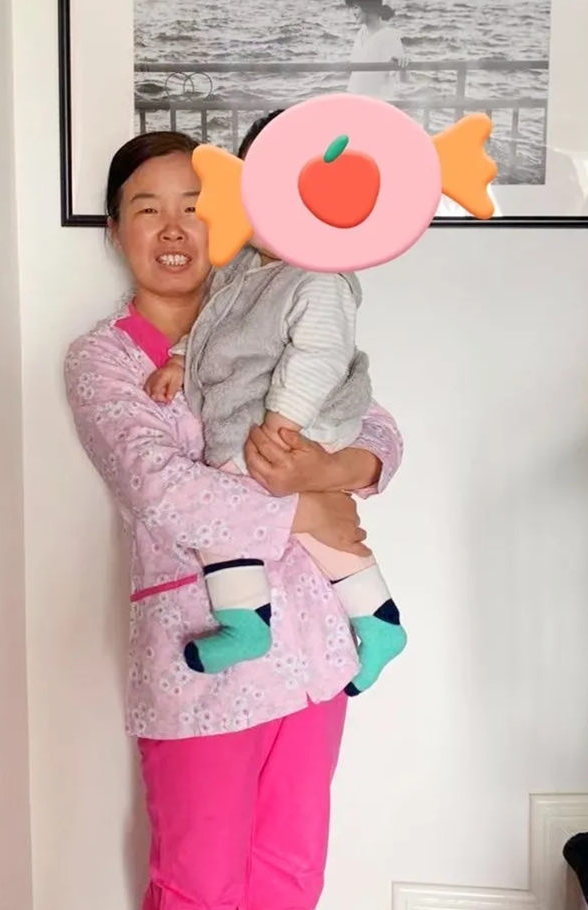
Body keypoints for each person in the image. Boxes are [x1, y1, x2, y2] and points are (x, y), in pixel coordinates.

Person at [64, 129, 404, 910]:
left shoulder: (274, 307)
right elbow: (162, 490)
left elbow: (375, 427)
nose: (174, 227)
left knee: (290, 880)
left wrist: (338, 471)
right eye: (148, 209)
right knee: (199, 891)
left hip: (316, 650)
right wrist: (308, 502)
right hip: (203, 668)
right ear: (115, 230)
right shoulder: (103, 361)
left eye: (194, 206)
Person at [144, 111, 406, 693]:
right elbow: (214, 325)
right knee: (259, 514)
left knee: (228, 507)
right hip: (250, 425)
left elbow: (319, 357)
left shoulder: (319, 280)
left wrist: (284, 424)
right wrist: (182, 360)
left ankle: (258, 620)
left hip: (291, 423)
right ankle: (371, 619)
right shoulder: (242, 265)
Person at [346, 0, 408, 100]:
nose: (353, 13)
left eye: (356, 7)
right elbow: (355, 73)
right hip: (355, 99)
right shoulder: (361, 33)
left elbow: (403, 80)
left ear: (368, 7)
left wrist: (402, 65)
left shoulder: (389, 36)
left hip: (375, 101)